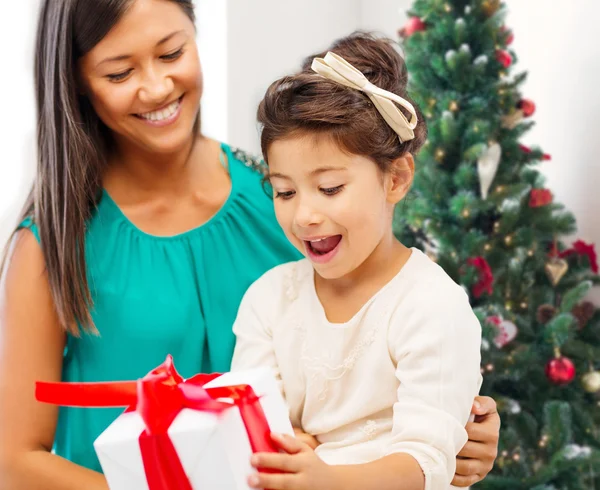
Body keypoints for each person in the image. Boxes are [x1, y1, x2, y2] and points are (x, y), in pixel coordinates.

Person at [0, 1, 499, 489]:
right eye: (118, 73)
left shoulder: (285, 200)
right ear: (77, 83)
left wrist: (463, 424)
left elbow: (385, 333)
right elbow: (14, 463)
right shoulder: (51, 245)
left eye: (172, 54)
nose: (155, 87)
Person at [230, 32, 484, 490]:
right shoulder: (269, 300)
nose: (304, 215)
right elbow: (252, 432)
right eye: (284, 191)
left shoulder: (431, 305)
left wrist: (325, 478)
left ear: (396, 178)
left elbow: (426, 463)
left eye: (329, 188)